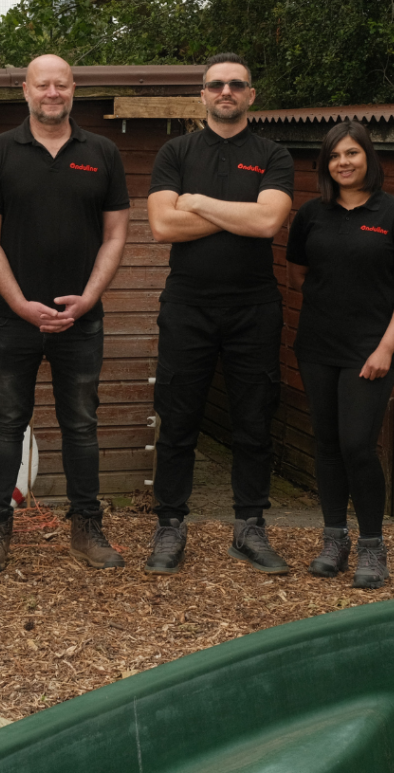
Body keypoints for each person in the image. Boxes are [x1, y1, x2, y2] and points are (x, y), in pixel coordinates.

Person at [0, 54, 130, 572]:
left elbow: (116, 235)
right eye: (43, 85)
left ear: (74, 89)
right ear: (26, 90)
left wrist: (87, 298)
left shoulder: (102, 152)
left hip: (81, 320)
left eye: (61, 84)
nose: (52, 93)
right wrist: (18, 303)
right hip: (12, 318)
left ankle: (87, 528)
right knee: (5, 423)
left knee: (81, 424)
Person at [145, 53, 295, 575]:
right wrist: (238, 213)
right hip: (188, 305)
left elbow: (269, 222)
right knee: (179, 415)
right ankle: (170, 526)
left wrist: (197, 203)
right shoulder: (176, 151)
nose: (226, 91)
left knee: (254, 417)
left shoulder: (273, 153)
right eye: (216, 85)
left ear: (251, 95)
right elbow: (163, 227)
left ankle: (250, 527)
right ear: (203, 95)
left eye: (237, 84)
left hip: (254, 305)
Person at [286, 120, 394, 589]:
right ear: (325, 164)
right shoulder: (310, 214)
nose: (343, 162)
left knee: (356, 446)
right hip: (317, 346)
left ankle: (371, 545)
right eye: (334, 156)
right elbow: (298, 275)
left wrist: (386, 345)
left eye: (352, 153)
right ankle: (334, 538)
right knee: (326, 443)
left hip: (370, 350)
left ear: (368, 157)